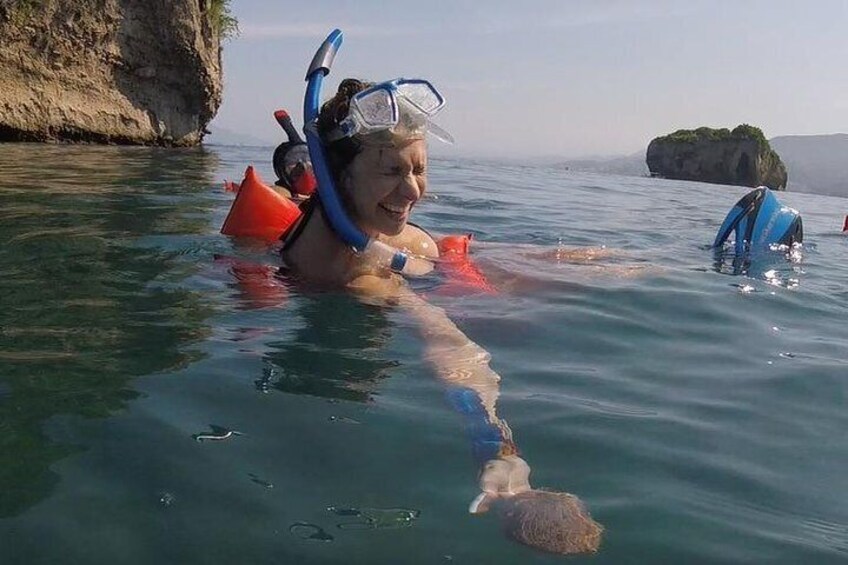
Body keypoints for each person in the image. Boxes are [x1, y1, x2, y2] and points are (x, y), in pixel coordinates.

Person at [280, 73, 603, 554]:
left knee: (592, 261)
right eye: (391, 171)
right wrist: (496, 448)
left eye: (419, 169)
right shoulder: (355, 272)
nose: (413, 190)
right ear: (338, 174)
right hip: (433, 274)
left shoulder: (359, 230)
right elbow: (447, 343)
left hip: (439, 261)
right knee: (590, 279)